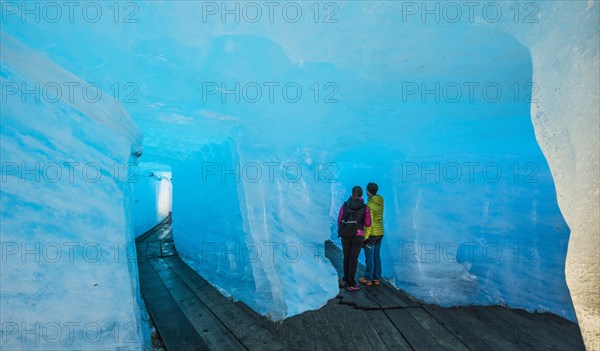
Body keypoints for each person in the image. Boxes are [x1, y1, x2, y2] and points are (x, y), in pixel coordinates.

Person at [338, 186, 371, 291]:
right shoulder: (365, 207)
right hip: (358, 235)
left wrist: (344, 229)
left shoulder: (345, 204)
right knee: (353, 259)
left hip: (346, 235)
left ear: (351, 194)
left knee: (346, 257)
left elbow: (339, 219)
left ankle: (345, 279)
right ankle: (351, 284)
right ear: (362, 195)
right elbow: (368, 223)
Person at [359, 182, 384, 286]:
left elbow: (369, 224)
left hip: (372, 234)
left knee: (369, 257)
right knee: (376, 256)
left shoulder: (369, 205)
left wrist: (365, 237)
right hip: (380, 232)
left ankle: (368, 278)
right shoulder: (380, 201)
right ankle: (376, 278)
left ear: (368, 191)